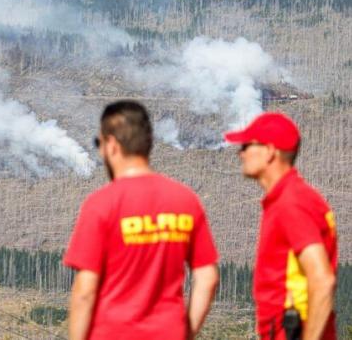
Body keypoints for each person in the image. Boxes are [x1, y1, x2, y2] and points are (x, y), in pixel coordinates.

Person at [64, 100, 219, 340]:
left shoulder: (101, 205)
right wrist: (185, 332)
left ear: (112, 145)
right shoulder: (185, 200)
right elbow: (207, 277)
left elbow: (85, 291)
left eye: (99, 143)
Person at [224, 112, 337, 340]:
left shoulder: (291, 202)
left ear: (270, 151)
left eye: (247, 145)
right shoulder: (288, 198)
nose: (241, 153)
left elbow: (322, 280)